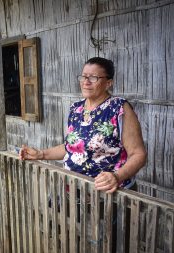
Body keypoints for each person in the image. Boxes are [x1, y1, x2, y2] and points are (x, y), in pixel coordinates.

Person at [20, 57, 147, 193]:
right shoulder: (76, 108)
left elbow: (138, 154)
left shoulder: (119, 108)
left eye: (93, 78)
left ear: (108, 83)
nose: (86, 82)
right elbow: (73, 147)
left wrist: (116, 177)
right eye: (84, 77)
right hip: (73, 189)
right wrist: (41, 154)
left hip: (108, 194)